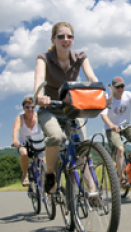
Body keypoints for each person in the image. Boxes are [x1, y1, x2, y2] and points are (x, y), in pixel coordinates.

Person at [34, 22, 99, 194]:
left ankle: (92, 192)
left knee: (82, 149)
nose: (65, 39)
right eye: (61, 36)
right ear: (53, 39)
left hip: (71, 109)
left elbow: (91, 76)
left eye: (69, 36)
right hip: (50, 109)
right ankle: (50, 173)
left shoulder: (80, 56)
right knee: (56, 137)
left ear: (73, 39)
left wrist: (100, 92)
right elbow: (40, 78)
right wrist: (40, 95)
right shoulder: (44, 58)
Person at [12, 96, 43, 186]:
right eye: (27, 107)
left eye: (32, 107)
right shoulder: (20, 118)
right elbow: (15, 129)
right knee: (23, 152)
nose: (30, 109)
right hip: (25, 144)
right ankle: (25, 174)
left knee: (42, 160)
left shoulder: (38, 117)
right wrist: (15, 140)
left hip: (38, 143)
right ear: (23, 108)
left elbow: (46, 128)